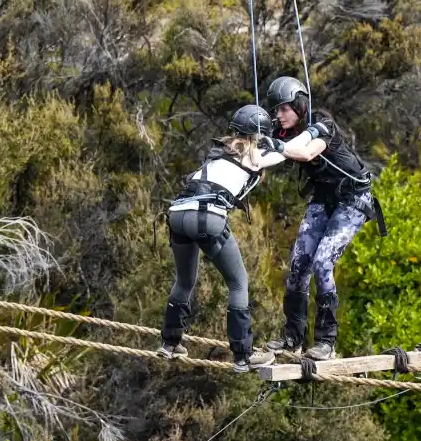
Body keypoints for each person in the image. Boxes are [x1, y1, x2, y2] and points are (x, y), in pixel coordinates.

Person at [259, 77, 387, 361]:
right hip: (323, 199)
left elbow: (305, 151)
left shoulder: (322, 124)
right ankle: (292, 339)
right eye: (276, 110)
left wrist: (276, 146)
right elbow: (268, 155)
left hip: (352, 200)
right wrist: (256, 146)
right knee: (298, 266)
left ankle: (326, 343)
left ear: (299, 106)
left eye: (284, 109)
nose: (279, 115)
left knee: (322, 262)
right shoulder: (283, 132)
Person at [158, 104, 287, 373]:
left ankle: (169, 343)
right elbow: (286, 153)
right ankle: (243, 356)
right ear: (259, 134)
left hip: (177, 213)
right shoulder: (254, 154)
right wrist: (303, 135)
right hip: (207, 217)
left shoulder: (220, 150)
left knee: (184, 280)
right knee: (238, 283)